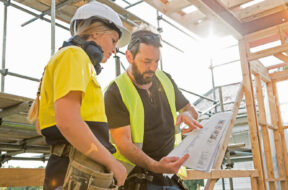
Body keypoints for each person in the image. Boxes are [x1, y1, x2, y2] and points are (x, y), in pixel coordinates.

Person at [27, 1, 131, 190]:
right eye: (113, 40)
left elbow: (45, 125)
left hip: (71, 165)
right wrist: (112, 162)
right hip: (77, 168)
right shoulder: (75, 56)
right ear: (95, 32)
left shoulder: (69, 58)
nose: (115, 50)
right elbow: (68, 122)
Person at [104, 24, 203, 190]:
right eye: (146, 62)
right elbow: (124, 143)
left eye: (156, 61)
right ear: (129, 56)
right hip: (136, 180)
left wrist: (189, 116)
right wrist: (156, 166)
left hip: (170, 176)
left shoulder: (165, 79)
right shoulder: (115, 91)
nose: (153, 68)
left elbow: (190, 110)